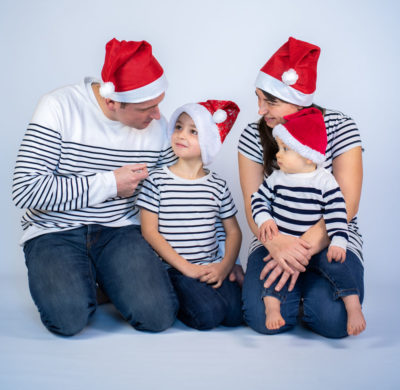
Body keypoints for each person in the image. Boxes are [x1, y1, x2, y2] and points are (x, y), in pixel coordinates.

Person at [12, 38, 178, 336]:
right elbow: (26, 189)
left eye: (158, 105)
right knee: (68, 320)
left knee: (157, 317)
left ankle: (100, 277)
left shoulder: (155, 125)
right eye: (147, 108)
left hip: (119, 230)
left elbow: (174, 189)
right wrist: (110, 184)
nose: (157, 116)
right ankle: (84, 280)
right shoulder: (59, 106)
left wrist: (213, 253)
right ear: (112, 101)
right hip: (54, 230)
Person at [239, 37, 365, 338]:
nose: (260, 110)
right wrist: (277, 243)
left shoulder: (340, 126)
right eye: (258, 98)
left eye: (270, 101)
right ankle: (296, 291)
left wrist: (300, 251)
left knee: (333, 322)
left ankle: (310, 287)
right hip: (275, 241)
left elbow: (347, 202)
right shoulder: (252, 135)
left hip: (331, 237)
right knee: (262, 320)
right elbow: (253, 200)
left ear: (299, 98)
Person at [251, 107, 366, 335]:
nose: (278, 154)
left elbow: (337, 212)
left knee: (337, 268)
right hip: (283, 244)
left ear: (306, 155)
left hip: (319, 247)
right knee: (270, 272)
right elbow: (258, 200)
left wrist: (338, 242)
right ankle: (273, 308)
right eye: (279, 148)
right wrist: (264, 220)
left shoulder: (324, 181)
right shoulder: (277, 178)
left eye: (285, 149)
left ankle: (353, 306)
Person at [136, 100, 243, 330]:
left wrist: (224, 266)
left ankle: (204, 293)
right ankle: (172, 296)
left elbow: (233, 231)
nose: (181, 135)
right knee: (208, 316)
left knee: (236, 315)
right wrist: (186, 268)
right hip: (175, 269)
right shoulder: (157, 181)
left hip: (211, 265)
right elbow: (149, 231)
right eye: (179, 127)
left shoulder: (217, 185)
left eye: (193, 131)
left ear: (208, 142)